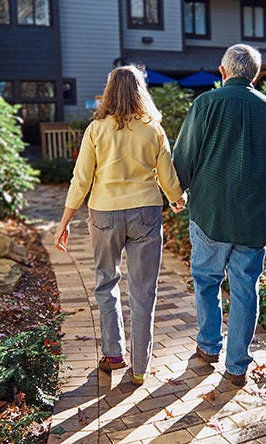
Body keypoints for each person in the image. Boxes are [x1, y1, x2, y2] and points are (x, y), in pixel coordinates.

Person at [53, 65, 187, 386]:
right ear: (141, 90)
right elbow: (167, 175)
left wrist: (65, 221)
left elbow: (81, 179)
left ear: (110, 90)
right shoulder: (152, 128)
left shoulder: (97, 129)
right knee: (143, 291)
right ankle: (140, 367)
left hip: (104, 214)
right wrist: (177, 199)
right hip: (145, 213)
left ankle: (113, 353)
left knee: (105, 282)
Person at [172, 44, 266, 387]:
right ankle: (237, 366)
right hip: (253, 216)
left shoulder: (205, 103)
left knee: (207, 281)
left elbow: (184, 156)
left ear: (223, 73)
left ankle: (208, 347)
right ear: (255, 75)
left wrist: (178, 194)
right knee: (246, 288)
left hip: (211, 212)